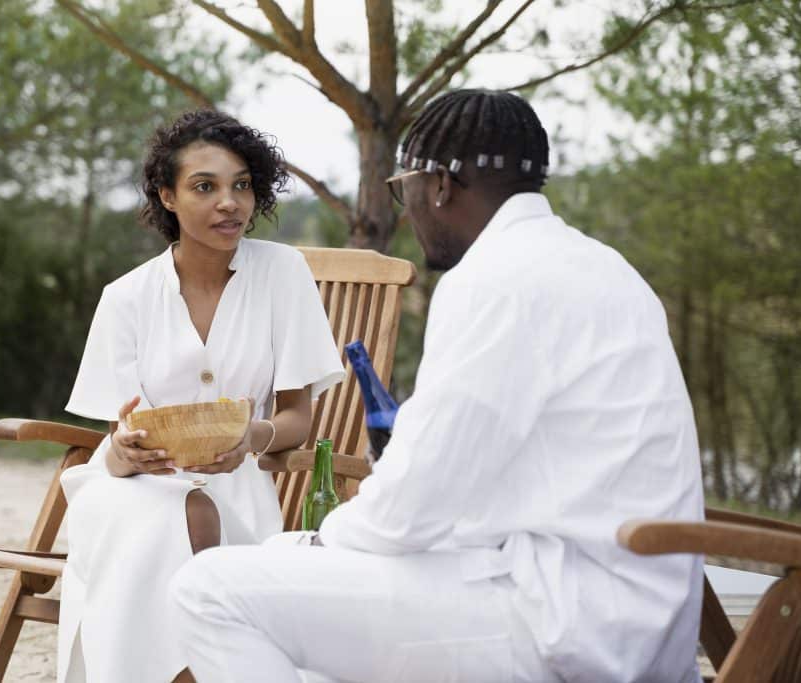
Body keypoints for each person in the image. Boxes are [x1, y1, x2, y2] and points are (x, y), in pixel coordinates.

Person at [168, 89, 705, 682]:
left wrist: (323, 541)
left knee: (210, 589)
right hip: (630, 618)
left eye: (404, 189)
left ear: (440, 185)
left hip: (559, 626)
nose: (408, 209)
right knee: (281, 574)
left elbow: (410, 508)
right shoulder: (606, 268)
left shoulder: (495, 280)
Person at [58, 109, 344, 683]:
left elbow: (296, 419)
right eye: (204, 186)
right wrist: (123, 452)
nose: (230, 203)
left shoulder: (282, 273)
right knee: (178, 511)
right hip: (127, 489)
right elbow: (116, 440)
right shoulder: (127, 297)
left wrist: (251, 438)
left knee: (195, 511)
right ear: (166, 196)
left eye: (241, 185)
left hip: (238, 486)